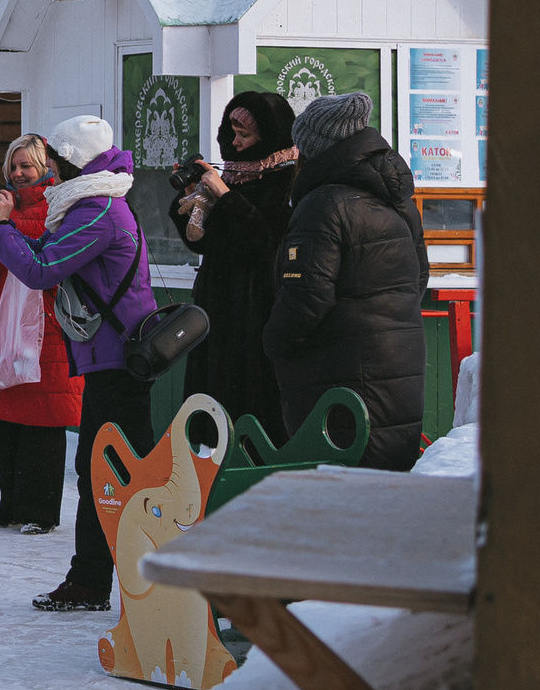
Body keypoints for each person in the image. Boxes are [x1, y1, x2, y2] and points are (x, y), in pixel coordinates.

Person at [0, 114, 158, 614]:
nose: (51, 174)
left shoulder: (98, 210)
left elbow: (40, 269)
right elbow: (44, 251)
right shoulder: (92, 203)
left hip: (118, 362)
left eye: (56, 162)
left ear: (75, 161)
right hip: (114, 358)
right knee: (108, 470)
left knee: (107, 472)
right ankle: (106, 580)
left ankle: (108, 583)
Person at [262, 92, 430, 471]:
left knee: (338, 503)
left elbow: (306, 300)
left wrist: (271, 342)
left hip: (339, 384)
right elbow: (419, 277)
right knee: (381, 502)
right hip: (398, 373)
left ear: (314, 150)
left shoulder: (323, 204)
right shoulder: (397, 200)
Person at [0, 133, 82, 535]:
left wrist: (0, 223)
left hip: (40, 326)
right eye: (13, 165)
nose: (19, 173)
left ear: (45, 167)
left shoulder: (59, 204)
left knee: (42, 419)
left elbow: (38, 248)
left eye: (27, 165)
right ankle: (9, 503)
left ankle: (41, 510)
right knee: (3, 415)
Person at [170, 92, 300, 444]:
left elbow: (265, 243)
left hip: (255, 308)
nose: (237, 143)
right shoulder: (233, 174)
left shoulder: (289, 177)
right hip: (219, 306)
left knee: (252, 411)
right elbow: (202, 242)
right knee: (216, 410)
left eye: (246, 135)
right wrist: (192, 199)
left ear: (270, 135)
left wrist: (226, 196)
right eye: (233, 133)